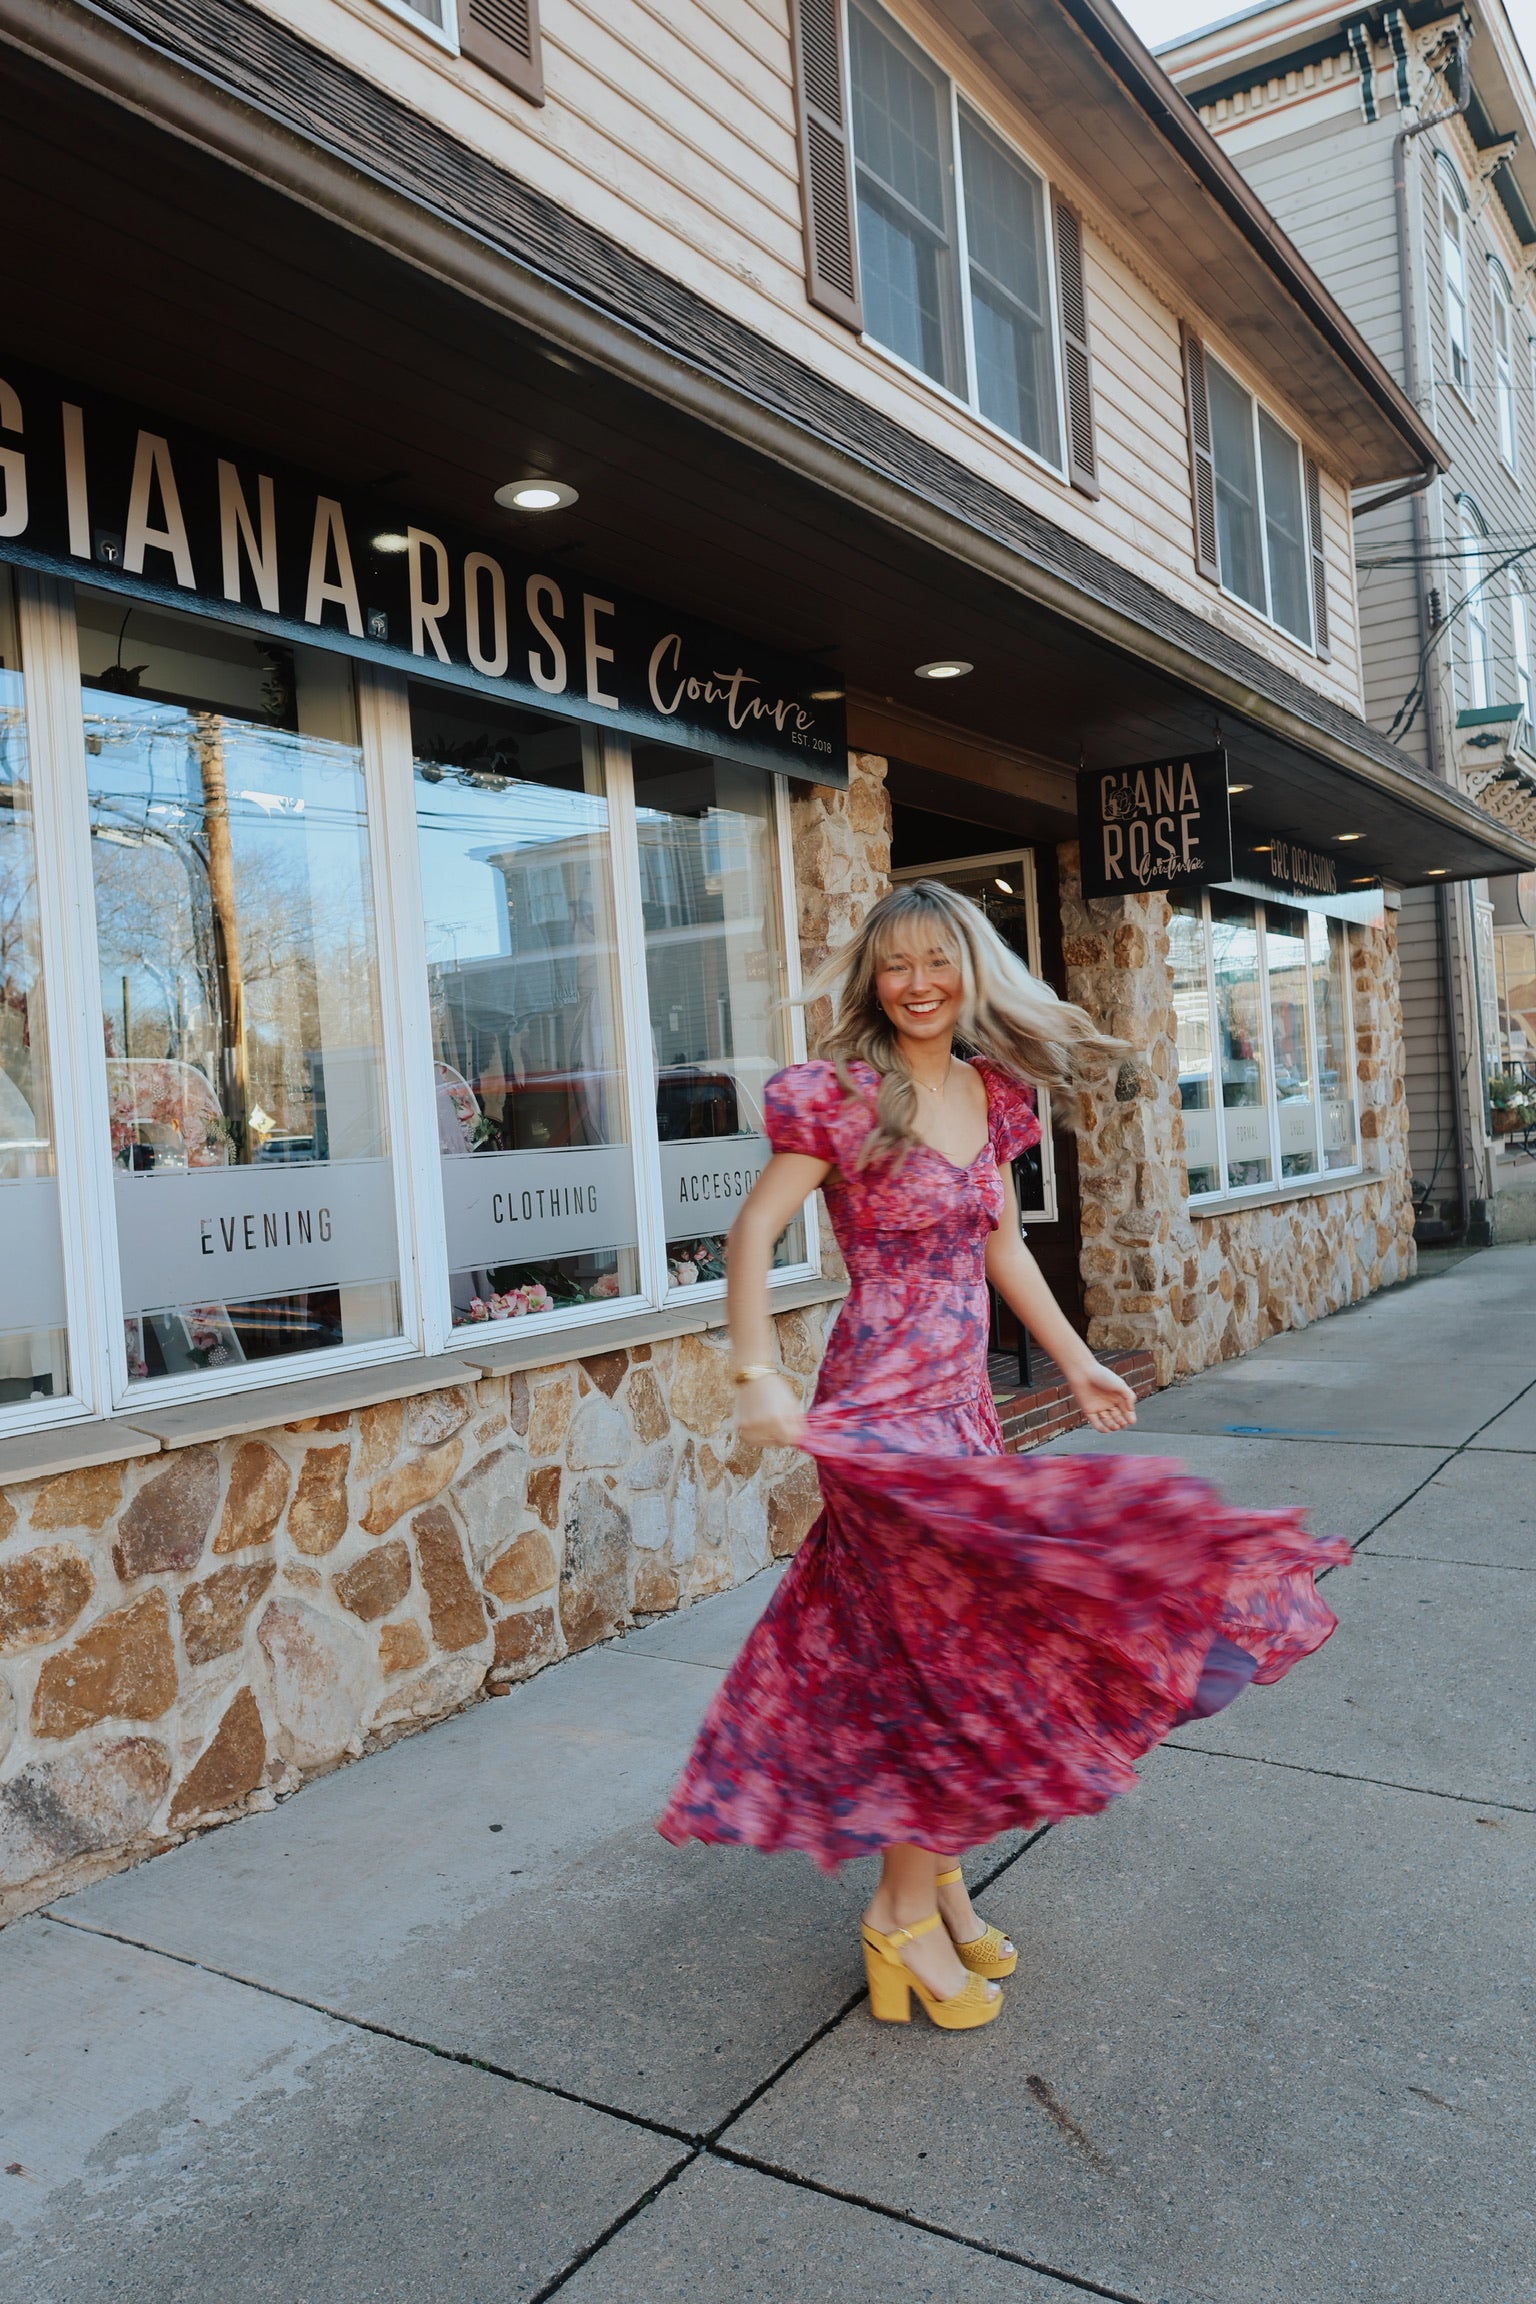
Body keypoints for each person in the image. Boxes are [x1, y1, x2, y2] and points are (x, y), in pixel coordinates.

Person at [658, 881, 1346, 2033]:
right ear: (873, 982)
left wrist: (1073, 1361)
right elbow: (751, 1234)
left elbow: (998, 1242)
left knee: (943, 1649)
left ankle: (934, 1885)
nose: (917, 985)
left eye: (938, 963)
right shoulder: (840, 1097)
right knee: (967, 1655)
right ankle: (900, 1912)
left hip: (963, 1402)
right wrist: (754, 1377)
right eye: (896, 967)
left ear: (971, 970)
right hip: (879, 1412)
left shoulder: (992, 1091)